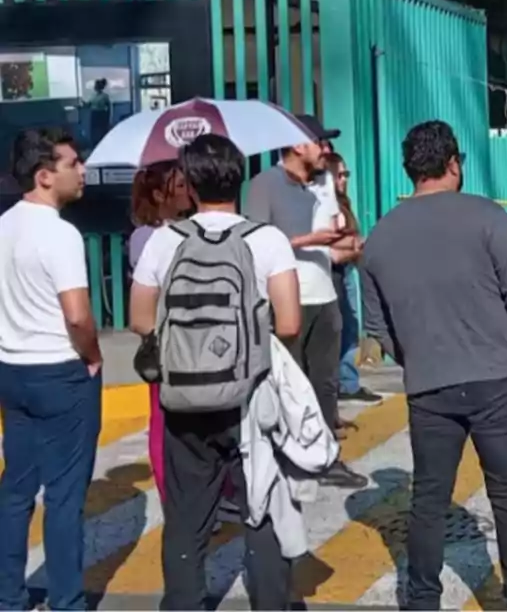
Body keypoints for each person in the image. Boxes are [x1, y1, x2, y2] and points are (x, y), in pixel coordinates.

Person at [361, 121, 507, 611]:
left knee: (429, 501)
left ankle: (422, 601)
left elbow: (380, 328)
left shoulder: (378, 238)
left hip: (429, 387)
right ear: (454, 164)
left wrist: (419, 357)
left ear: (409, 170)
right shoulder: (486, 217)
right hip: (498, 379)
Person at [129, 134, 302, 610]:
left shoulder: (165, 240)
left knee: (186, 518)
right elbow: (289, 323)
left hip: (184, 397)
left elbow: (140, 319)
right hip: (251, 401)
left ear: (190, 183)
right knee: (262, 510)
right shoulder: (265, 240)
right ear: (238, 178)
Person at [0, 128, 101, 611]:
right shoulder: (61, 234)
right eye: (72, 164)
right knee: (63, 496)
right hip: (60, 371)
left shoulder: (3, 226)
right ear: (44, 176)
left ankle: (9, 597)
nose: (82, 171)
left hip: (13, 369)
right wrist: (93, 354)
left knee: (16, 488)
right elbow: (77, 314)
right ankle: (67, 602)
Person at [245, 115, 367, 489]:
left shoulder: (325, 181)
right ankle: (286, 459)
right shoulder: (263, 185)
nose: (325, 151)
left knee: (325, 383)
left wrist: (342, 240)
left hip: (325, 292)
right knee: (287, 385)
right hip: (286, 297)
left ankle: (326, 456)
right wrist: (308, 238)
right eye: (319, 143)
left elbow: (330, 234)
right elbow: (255, 242)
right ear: (298, 146)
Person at [128, 162, 191, 505]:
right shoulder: (146, 237)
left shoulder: (186, 228)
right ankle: (172, 493)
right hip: (163, 338)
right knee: (163, 420)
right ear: (158, 194)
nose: (185, 191)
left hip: (192, 337)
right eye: (178, 185)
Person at [325, 151, 382, 408]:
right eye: (340, 175)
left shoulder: (343, 203)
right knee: (344, 327)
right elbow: (334, 247)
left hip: (347, 270)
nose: (344, 179)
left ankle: (347, 381)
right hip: (335, 272)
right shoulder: (326, 205)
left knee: (351, 327)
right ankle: (342, 382)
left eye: (346, 174)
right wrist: (357, 246)